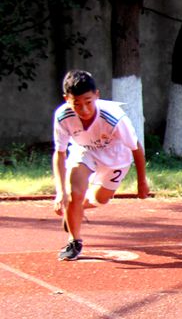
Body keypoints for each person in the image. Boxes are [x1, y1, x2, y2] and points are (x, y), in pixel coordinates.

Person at [52, 70, 150, 261]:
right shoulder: (62, 116)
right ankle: (74, 241)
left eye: (88, 102)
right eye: (77, 104)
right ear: (66, 99)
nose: (84, 109)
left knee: (100, 199)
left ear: (97, 95)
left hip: (116, 158)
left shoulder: (114, 118)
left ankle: (77, 211)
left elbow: (136, 148)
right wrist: (60, 191)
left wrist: (142, 181)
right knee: (74, 194)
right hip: (85, 151)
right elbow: (60, 153)